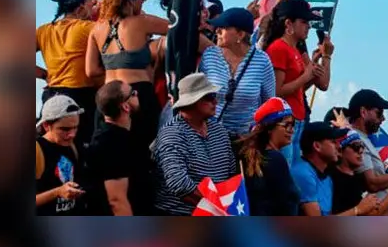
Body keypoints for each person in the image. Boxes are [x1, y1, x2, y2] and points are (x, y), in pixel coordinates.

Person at [85, 0, 168, 151]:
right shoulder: (142, 22)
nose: (142, 3)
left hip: (108, 95)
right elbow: (177, 28)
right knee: (143, 151)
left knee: (110, 151)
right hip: (138, 94)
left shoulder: (96, 29)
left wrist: (115, 66)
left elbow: (91, 70)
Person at [153, 73, 238, 216]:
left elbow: (230, 174)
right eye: (210, 97)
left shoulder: (219, 131)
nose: (215, 101)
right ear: (193, 101)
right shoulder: (172, 134)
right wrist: (215, 207)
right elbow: (179, 184)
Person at [263, 0, 332, 166]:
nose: (308, 26)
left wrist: (314, 68)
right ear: (288, 24)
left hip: (296, 122)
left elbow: (302, 88)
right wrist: (306, 76)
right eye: (304, 21)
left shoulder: (294, 49)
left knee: (292, 171)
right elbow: (276, 92)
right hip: (284, 123)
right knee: (286, 170)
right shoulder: (278, 48)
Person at [36, 0, 100, 149]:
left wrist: (44, 74)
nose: (93, 4)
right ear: (80, 6)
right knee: (79, 151)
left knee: (50, 149)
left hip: (51, 96)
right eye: (91, 0)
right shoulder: (87, 28)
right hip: (80, 98)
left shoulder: (44, 30)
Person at [200, 7, 276, 140]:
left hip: (246, 139)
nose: (217, 31)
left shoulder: (262, 61)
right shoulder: (209, 56)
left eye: (223, 28)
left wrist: (255, 134)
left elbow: (269, 103)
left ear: (240, 34)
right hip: (211, 137)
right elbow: (199, 96)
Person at [84, 81, 154, 216]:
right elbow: (116, 200)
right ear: (125, 106)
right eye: (133, 93)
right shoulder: (110, 144)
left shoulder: (124, 135)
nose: (137, 94)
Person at [237, 97, 300, 216]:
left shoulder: (252, 157)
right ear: (270, 128)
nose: (292, 130)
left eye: (293, 124)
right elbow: (286, 204)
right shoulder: (275, 159)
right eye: (287, 125)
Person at [341, 89, 388, 200]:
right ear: (363, 112)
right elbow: (371, 183)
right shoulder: (355, 139)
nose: (383, 118)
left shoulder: (364, 138)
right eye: (379, 113)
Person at [35, 95, 86, 216]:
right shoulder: (37, 150)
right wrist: (57, 192)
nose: (72, 134)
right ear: (46, 126)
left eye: (75, 127)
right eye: (65, 129)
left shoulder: (74, 146)